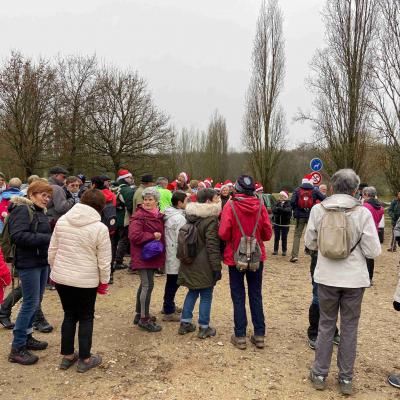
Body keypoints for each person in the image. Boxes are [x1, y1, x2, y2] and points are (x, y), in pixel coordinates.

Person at [305, 169, 381, 395]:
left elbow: (310, 243)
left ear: (332, 186)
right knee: (349, 327)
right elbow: (373, 250)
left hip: (327, 276)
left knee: (326, 324)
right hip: (354, 279)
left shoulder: (319, 210)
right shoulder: (363, 213)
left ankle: (319, 373)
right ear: (355, 189)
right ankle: (346, 378)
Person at [49, 189, 111, 373]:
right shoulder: (100, 228)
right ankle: (85, 358)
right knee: (85, 317)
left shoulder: (62, 220)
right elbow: (104, 261)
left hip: (62, 277)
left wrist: (56, 270)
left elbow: (52, 251)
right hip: (85, 280)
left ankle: (67, 356)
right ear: (102, 206)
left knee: (69, 315)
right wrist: (104, 282)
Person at [219, 175, 272, 350]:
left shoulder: (230, 206)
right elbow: (267, 234)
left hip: (235, 257)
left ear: (237, 189)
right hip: (256, 256)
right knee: (256, 295)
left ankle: (240, 335)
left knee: (238, 296)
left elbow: (224, 233)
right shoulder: (261, 206)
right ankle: (259, 335)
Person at [7, 180, 53, 365]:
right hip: (28, 263)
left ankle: (27, 337)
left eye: (49, 196)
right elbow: (18, 236)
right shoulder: (22, 209)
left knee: (36, 301)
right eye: (43, 195)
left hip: (41, 261)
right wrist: (47, 238)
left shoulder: (39, 211)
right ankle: (17, 348)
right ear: (32, 194)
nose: (47, 199)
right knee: (30, 303)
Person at [178, 188, 222, 339]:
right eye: (216, 197)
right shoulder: (211, 219)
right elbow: (212, 246)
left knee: (192, 291)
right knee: (206, 294)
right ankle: (204, 327)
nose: (219, 199)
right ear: (209, 201)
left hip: (189, 261)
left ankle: (185, 322)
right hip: (204, 264)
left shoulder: (191, 215)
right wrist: (216, 267)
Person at [129, 187, 165, 332]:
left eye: (150, 199)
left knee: (146, 284)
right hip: (142, 255)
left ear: (156, 201)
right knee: (147, 285)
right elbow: (134, 236)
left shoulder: (156, 215)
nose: (147, 202)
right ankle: (144, 319)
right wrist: (152, 236)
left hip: (150, 255)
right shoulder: (139, 216)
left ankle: (140, 314)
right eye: (145, 199)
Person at [162, 191, 187, 321]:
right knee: (174, 281)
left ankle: (168, 304)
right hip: (175, 253)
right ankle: (168, 310)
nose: (187, 203)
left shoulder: (170, 214)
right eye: (186, 201)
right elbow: (182, 238)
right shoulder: (179, 218)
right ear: (179, 203)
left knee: (171, 281)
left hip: (171, 251)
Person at [290, 177, 325, 263]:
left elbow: (292, 202)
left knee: (297, 235)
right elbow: (324, 199)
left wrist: (296, 210)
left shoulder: (297, 190)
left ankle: (294, 256)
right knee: (312, 234)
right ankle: (313, 254)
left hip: (299, 216)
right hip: (311, 215)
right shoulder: (314, 190)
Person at [91, 176, 117, 283]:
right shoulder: (111, 195)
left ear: (93, 184)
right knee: (108, 250)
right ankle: (109, 274)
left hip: (96, 225)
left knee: (96, 251)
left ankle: (96, 274)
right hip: (110, 227)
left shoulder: (93, 195)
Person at [113, 169, 135, 270]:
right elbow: (130, 206)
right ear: (125, 179)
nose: (131, 179)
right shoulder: (128, 190)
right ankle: (118, 261)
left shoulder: (114, 188)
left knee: (114, 240)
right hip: (124, 218)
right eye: (130, 177)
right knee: (124, 240)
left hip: (114, 217)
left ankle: (112, 259)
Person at [362, 186, 384, 283]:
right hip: (374, 231)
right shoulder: (380, 207)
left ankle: (364, 277)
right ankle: (370, 278)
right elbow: (378, 221)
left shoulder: (365, 206)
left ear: (366, 195)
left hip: (364, 232)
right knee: (370, 256)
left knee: (362, 256)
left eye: (363, 194)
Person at [271, 191, 291, 256]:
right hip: (277, 223)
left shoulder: (288, 203)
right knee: (276, 237)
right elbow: (273, 209)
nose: (281, 197)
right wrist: (280, 209)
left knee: (284, 238)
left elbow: (287, 210)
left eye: (283, 196)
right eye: (280, 196)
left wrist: (279, 209)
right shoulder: (277, 202)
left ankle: (284, 250)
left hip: (285, 224)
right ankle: (275, 250)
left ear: (286, 197)